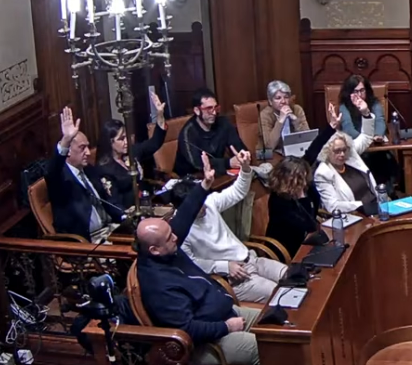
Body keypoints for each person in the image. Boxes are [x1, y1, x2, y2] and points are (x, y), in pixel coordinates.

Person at [137, 156, 260, 365]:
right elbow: (187, 328)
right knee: (266, 348)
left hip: (225, 312)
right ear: (154, 250)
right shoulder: (158, 285)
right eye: (169, 237)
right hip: (210, 341)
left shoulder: (166, 247)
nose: (175, 237)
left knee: (278, 326)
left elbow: (185, 215)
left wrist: (204, 185)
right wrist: (226, 327)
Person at [171, 153, 288, 304]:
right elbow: (193, 263)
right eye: (198, 205)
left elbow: (237, 192)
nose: (204, 206)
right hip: (234, 278)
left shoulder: (209, 202)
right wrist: (224, 266)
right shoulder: (178, 232)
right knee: (282, 295)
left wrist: (245, 169)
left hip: (251, 259)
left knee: (293, 276)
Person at [46, 107, 126, 241]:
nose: (88, 153)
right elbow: (52, 170)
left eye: (88, 147)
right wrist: (66, 140)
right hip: (87, 241)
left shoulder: (88, 169)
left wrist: (125, 216)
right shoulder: (60, 179)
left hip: (111, 229)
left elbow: (107, 200)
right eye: (82, 148)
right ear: (68, 151)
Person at [94, 93, 168, 210]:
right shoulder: (105, 169)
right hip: (129, 211)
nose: (126, 142)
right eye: (121, 139)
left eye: (126, 137)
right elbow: (114, 203)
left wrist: (160, 114)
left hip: (147, 202)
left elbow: (154, 143)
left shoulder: (131, 152)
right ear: (110, 142)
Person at [339, 74, 402, 189]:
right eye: (355, 91)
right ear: (349, 93)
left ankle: (386, 192)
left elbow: (380, 121)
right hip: (357, 149)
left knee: (383, 160)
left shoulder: (374, 103)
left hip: (376, 147)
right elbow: (348, 129)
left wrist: (378, 135)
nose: (359, 95)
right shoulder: (344, 107)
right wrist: (366, 140)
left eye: (362, 90)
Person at [176, 88, 249, 177]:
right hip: (192, 178)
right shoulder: (187, 133)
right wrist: (228, 163)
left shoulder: (223, 123)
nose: (214, 113)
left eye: (216, 108)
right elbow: (198, 164)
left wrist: (243, 156)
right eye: (209, 109)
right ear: (197, 110)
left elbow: (239, 147)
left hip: (218, 174)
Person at [314, 126, 378, 216]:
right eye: (337, 151)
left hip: (376, 204)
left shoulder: (351, 157)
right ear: (326, 151)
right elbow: (333, 205)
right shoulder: (322, 173)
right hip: (357, 213)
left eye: (344, 150)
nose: (342, 154)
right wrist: (361, 205)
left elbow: (366, 137)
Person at [266, 156, 322, 259]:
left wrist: (303, 194)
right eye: (299, 180)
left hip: (306, 240)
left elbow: (315, 205)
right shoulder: (278, 200)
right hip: (286, 248)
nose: (304, 183)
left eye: (304, 178)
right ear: (286, 179)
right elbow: (307, 225)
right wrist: (302, 197)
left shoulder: (305, 188)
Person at [257, 80, 309, 154]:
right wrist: (280, 121)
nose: (283, 101)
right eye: (278, 98)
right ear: (270, 101)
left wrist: (295, 120)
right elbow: (269, 146)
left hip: (296, 150)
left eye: (286, 97)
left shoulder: (297, 110)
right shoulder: (265, 115)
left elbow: (308, 138)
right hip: (274, 154)